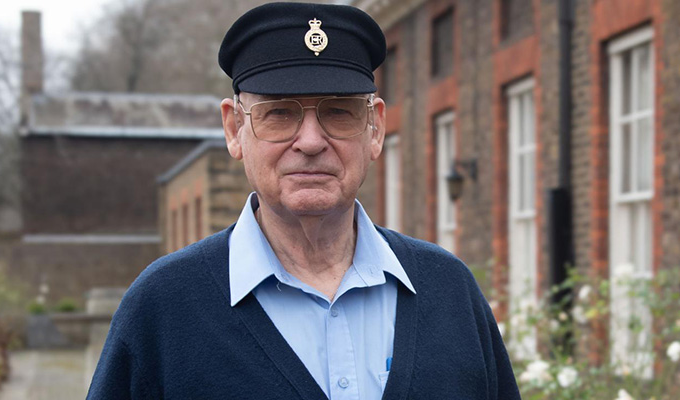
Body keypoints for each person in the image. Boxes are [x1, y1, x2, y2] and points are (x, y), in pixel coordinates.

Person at [87, 2, 520, 399]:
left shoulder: (450, 292)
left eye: (338, 111)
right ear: (234, 129)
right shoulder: (163, 308)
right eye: (279, 113)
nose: (311, 142)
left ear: (375, 128)